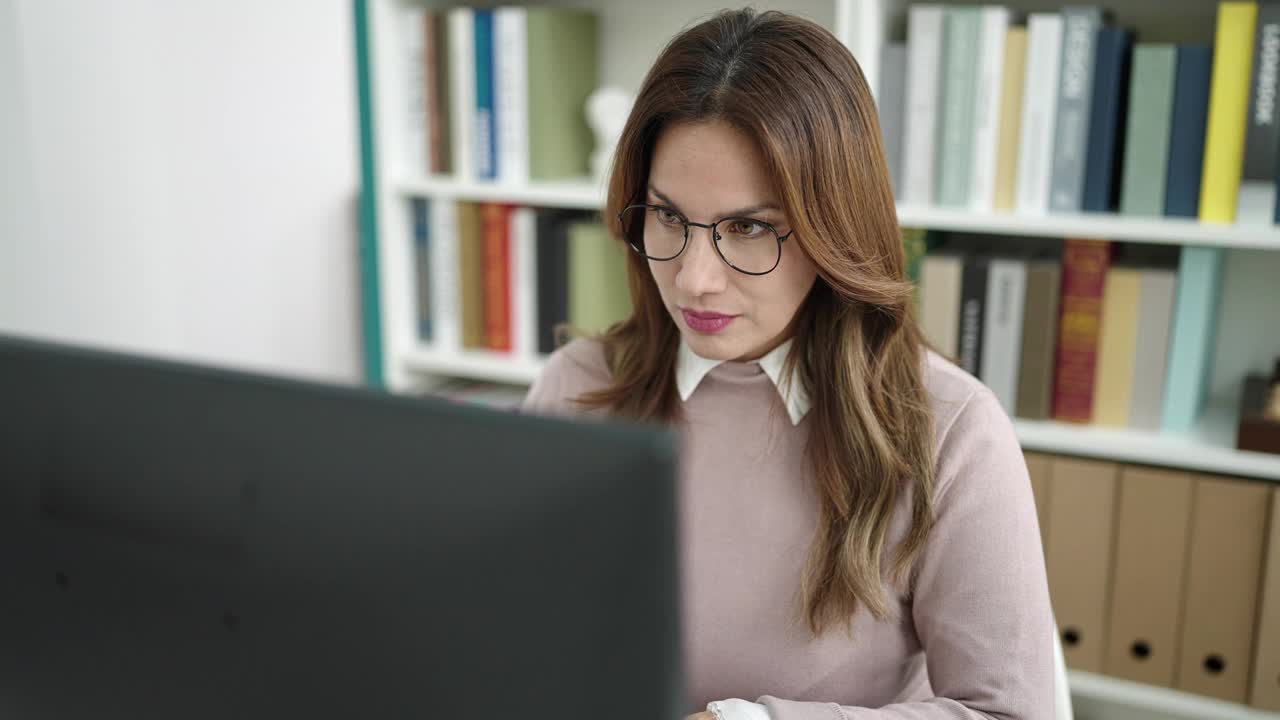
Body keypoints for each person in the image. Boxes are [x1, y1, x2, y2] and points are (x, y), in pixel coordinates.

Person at [521, 8, 1053, 720]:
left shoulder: (951, 431)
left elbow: (1009, 713)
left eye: (749, 228)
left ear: (835, 226)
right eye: (668, 217)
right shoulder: (576, 386)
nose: (694, 279)